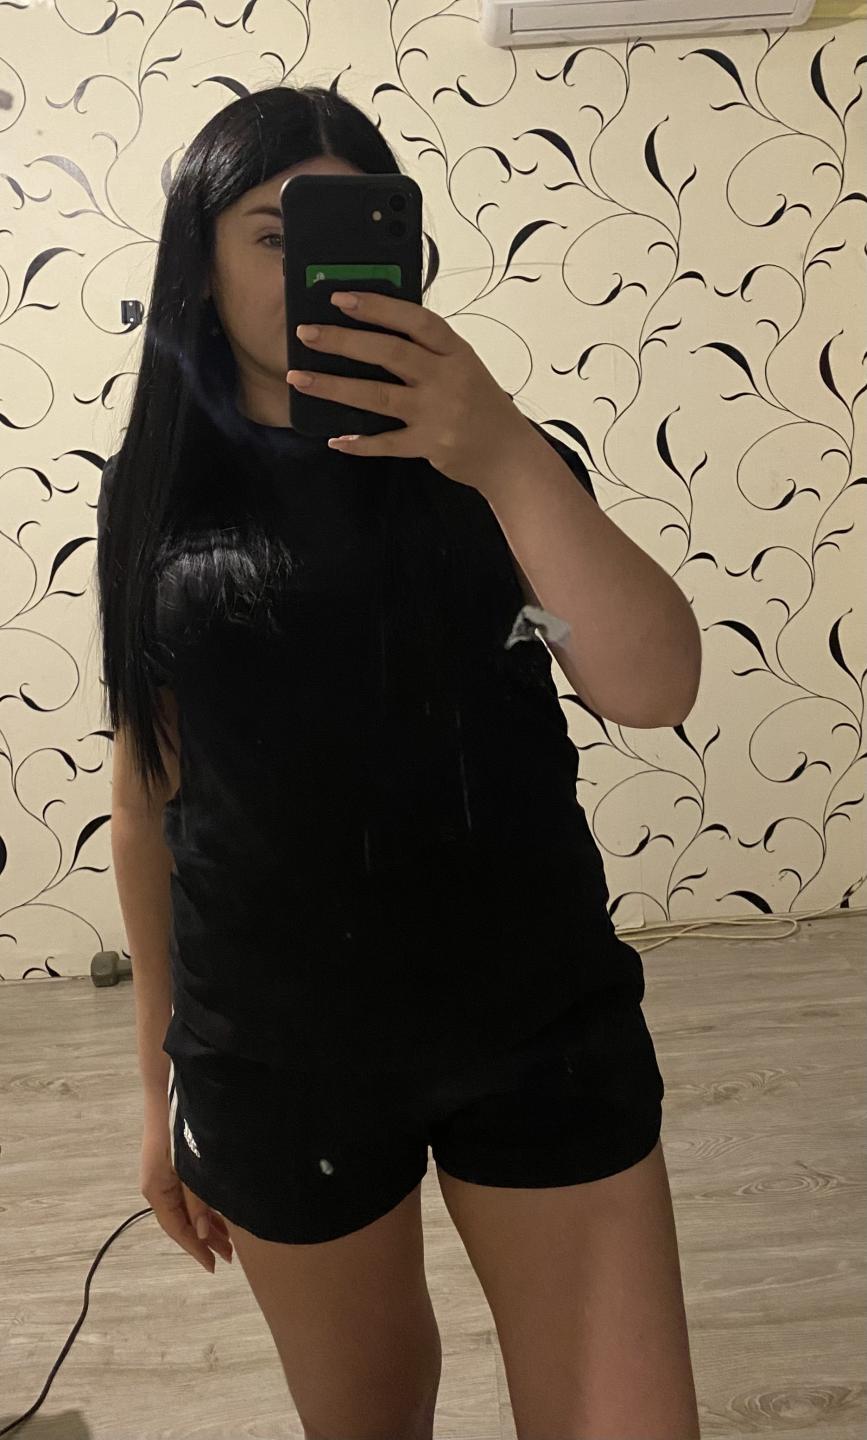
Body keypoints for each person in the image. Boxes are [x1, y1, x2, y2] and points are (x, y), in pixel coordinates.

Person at [96, 83, 701, 1440]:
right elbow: (150, 798)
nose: (311, 267)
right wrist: (158, 1090)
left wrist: (503, 453)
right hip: (279, 1055)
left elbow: (650, 686)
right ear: (199, 259)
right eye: (272, 232)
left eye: (349, 227)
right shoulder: (157, 493)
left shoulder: (495, 468)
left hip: (538, 1024)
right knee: (369, 1418)